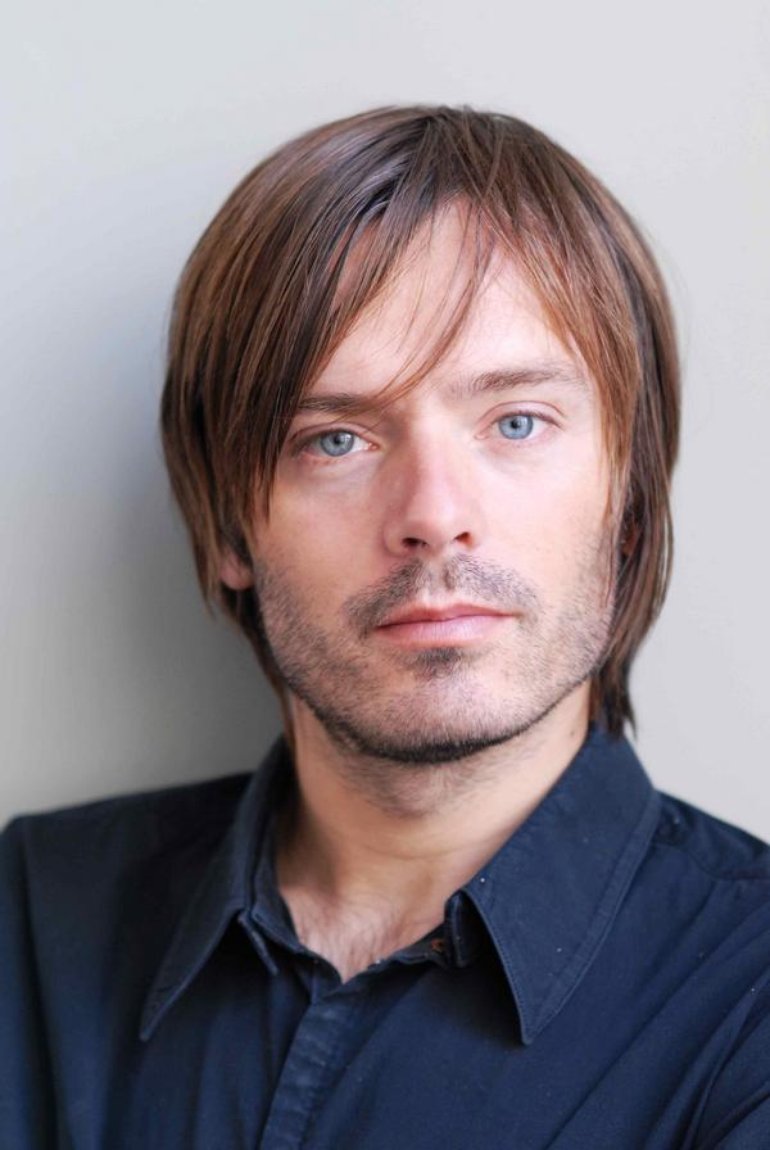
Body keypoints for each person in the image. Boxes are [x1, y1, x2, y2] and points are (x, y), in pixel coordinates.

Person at [1, 105, 769, 1149]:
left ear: (626, 506)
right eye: (336, 439)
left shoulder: (748, 1003)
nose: (432, 514)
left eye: (515, 421)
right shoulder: (32, 920)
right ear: (229, 526)